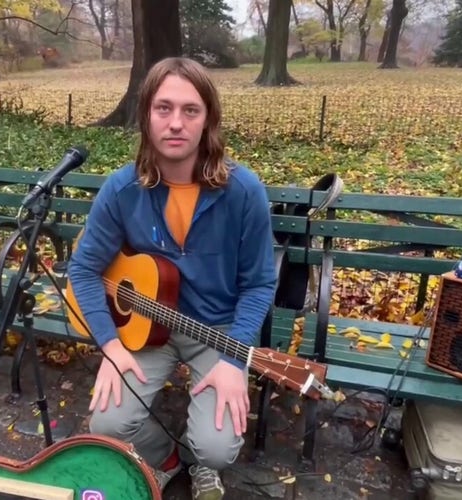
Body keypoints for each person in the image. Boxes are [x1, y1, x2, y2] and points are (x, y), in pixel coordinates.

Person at [66, 57, 277, 500]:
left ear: (208, 120)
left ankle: (203, 464)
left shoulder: (244, 192)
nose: (176, 123)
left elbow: (259, 283)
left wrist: (235, 361)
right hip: (147, 329)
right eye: (164, 108)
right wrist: (109, 344)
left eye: (190, 110)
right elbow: (84, 269)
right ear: (145, 115)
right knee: (106, 424)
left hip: (216, 330)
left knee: (217, 448)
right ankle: (164, 456)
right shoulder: (122, 190)